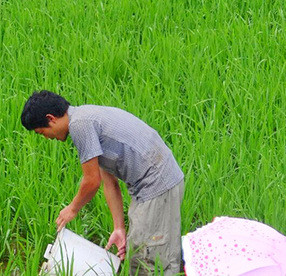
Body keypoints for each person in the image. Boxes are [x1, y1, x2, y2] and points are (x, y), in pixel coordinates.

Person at [21, 90, 184, 275]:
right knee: (143, 252)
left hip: (157, 185)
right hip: (151, 185)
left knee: (148, 259)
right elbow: (109, 183)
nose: (47, 138)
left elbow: (92, 182)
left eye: (42, 132)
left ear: (51, 119)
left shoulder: (80, 126)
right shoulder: (86, 118)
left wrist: (72, 209)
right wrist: (118, 228)